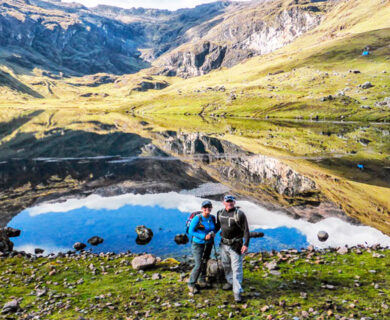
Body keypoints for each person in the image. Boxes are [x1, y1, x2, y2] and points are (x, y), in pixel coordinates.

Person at [217, 195, 249, 302]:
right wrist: (210, 232)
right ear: (223, 202)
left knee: (236, 269)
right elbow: (218, 226)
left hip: (236, 246)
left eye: (231, 201)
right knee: (226, 265)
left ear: (234, 202)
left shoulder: (239, 214)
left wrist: (246, 244)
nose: (229, 203)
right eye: (227, 201)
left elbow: (246, 230)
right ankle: (230, 281)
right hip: (223, 244)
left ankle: (237, 292)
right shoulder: (220, 213)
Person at [187, 200, 217, 294]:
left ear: (211, 208)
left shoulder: (212, 218)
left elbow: (214, 228)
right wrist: (203, 236)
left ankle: (202, 279)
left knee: (205, 261)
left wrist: (213, 233)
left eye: (209, 207)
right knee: (198, 264)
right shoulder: (197, 218)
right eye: (205, 207)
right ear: (202, 208)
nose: (207, 209)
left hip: (209, 243)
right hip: (198, 244)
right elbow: (191, 231)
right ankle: (191, 284)